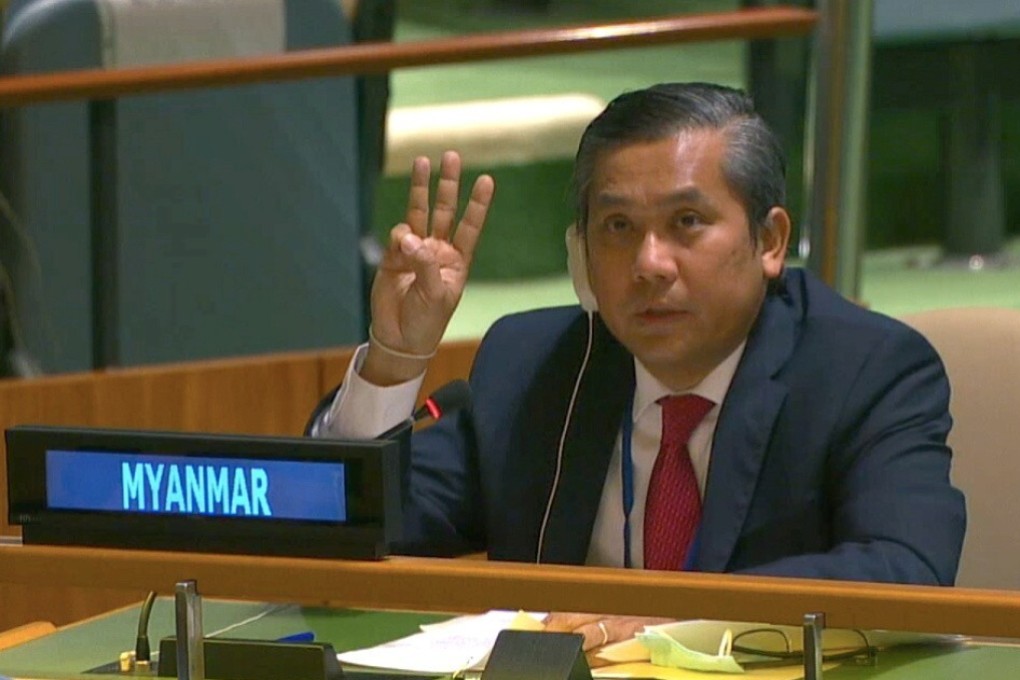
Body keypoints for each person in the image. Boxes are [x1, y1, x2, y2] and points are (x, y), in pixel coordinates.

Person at [311, 82, 966, 653]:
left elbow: (905, 568)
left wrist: (680, 614)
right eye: (619, 227)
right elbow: (352, 530)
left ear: (769, 241)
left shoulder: (864, 370)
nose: (649, 263)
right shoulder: (535, 364)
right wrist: (395, 357)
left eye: (687, 221)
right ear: (582, 251)